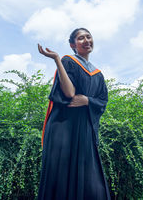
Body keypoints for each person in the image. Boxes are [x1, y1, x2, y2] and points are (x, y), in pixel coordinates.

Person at [37, 28, 111, 200]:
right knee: (61, 177)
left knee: (92, 184)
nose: (86, 40)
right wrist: (57, 59)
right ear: (73, 45)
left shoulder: (98, 75)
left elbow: (102, 102)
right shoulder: (68, 61)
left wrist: (87, 100)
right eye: (81, 38)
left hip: (84, 130)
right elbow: (69, 93)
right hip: (64, 128)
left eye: (88, 37)